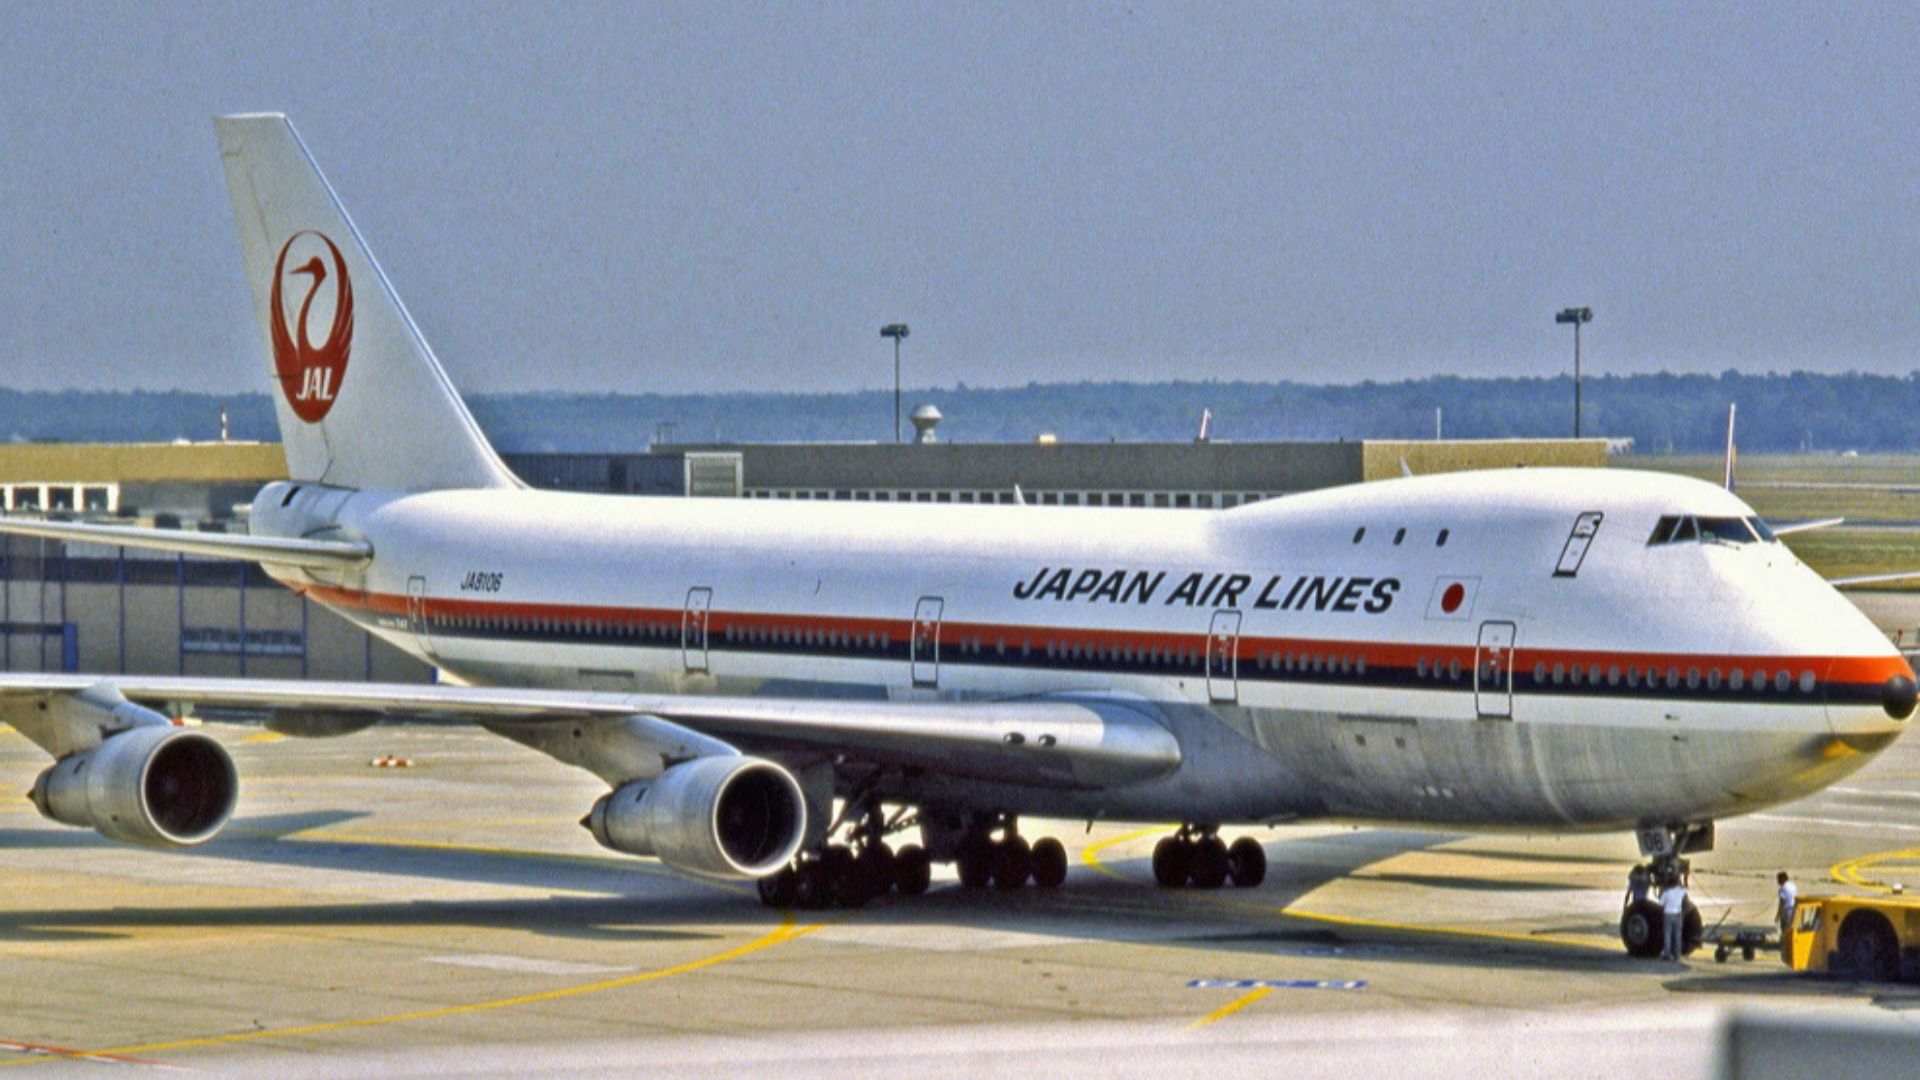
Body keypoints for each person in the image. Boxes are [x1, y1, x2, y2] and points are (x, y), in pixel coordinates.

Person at [1661, 878, 1689, 960]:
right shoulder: (1681, 891)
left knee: (1667, 934)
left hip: (1668, 914)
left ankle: (1667, 954)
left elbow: (1661, 903)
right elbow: (1686, 888)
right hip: (1678, 914)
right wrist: (1685, 879)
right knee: (1677, 934)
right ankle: (1677, 954)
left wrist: (1662, 890)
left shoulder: (1666, 893)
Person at [1776, 871, 1797, 957]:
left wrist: (1778, 914)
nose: (1777, 882)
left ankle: (1785, 946)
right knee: (1791, 927)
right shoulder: (1793, 886)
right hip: (1794, 909)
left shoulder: (1783, 888)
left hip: (1786, 910)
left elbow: (1782, 902)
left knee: (1784, 929)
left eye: (1778, 880)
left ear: (1782, 879)